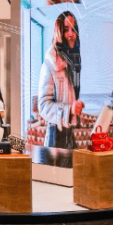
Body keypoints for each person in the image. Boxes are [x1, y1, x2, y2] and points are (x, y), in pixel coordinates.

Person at [38, 11, 84, 150]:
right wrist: (69, 110)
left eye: (73, 29)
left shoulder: (73, 64)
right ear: (59, 32)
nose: (70, 34)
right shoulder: (49, 64)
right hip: (55, 136)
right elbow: (43, 106)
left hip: (69, 135)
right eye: (66, 29)